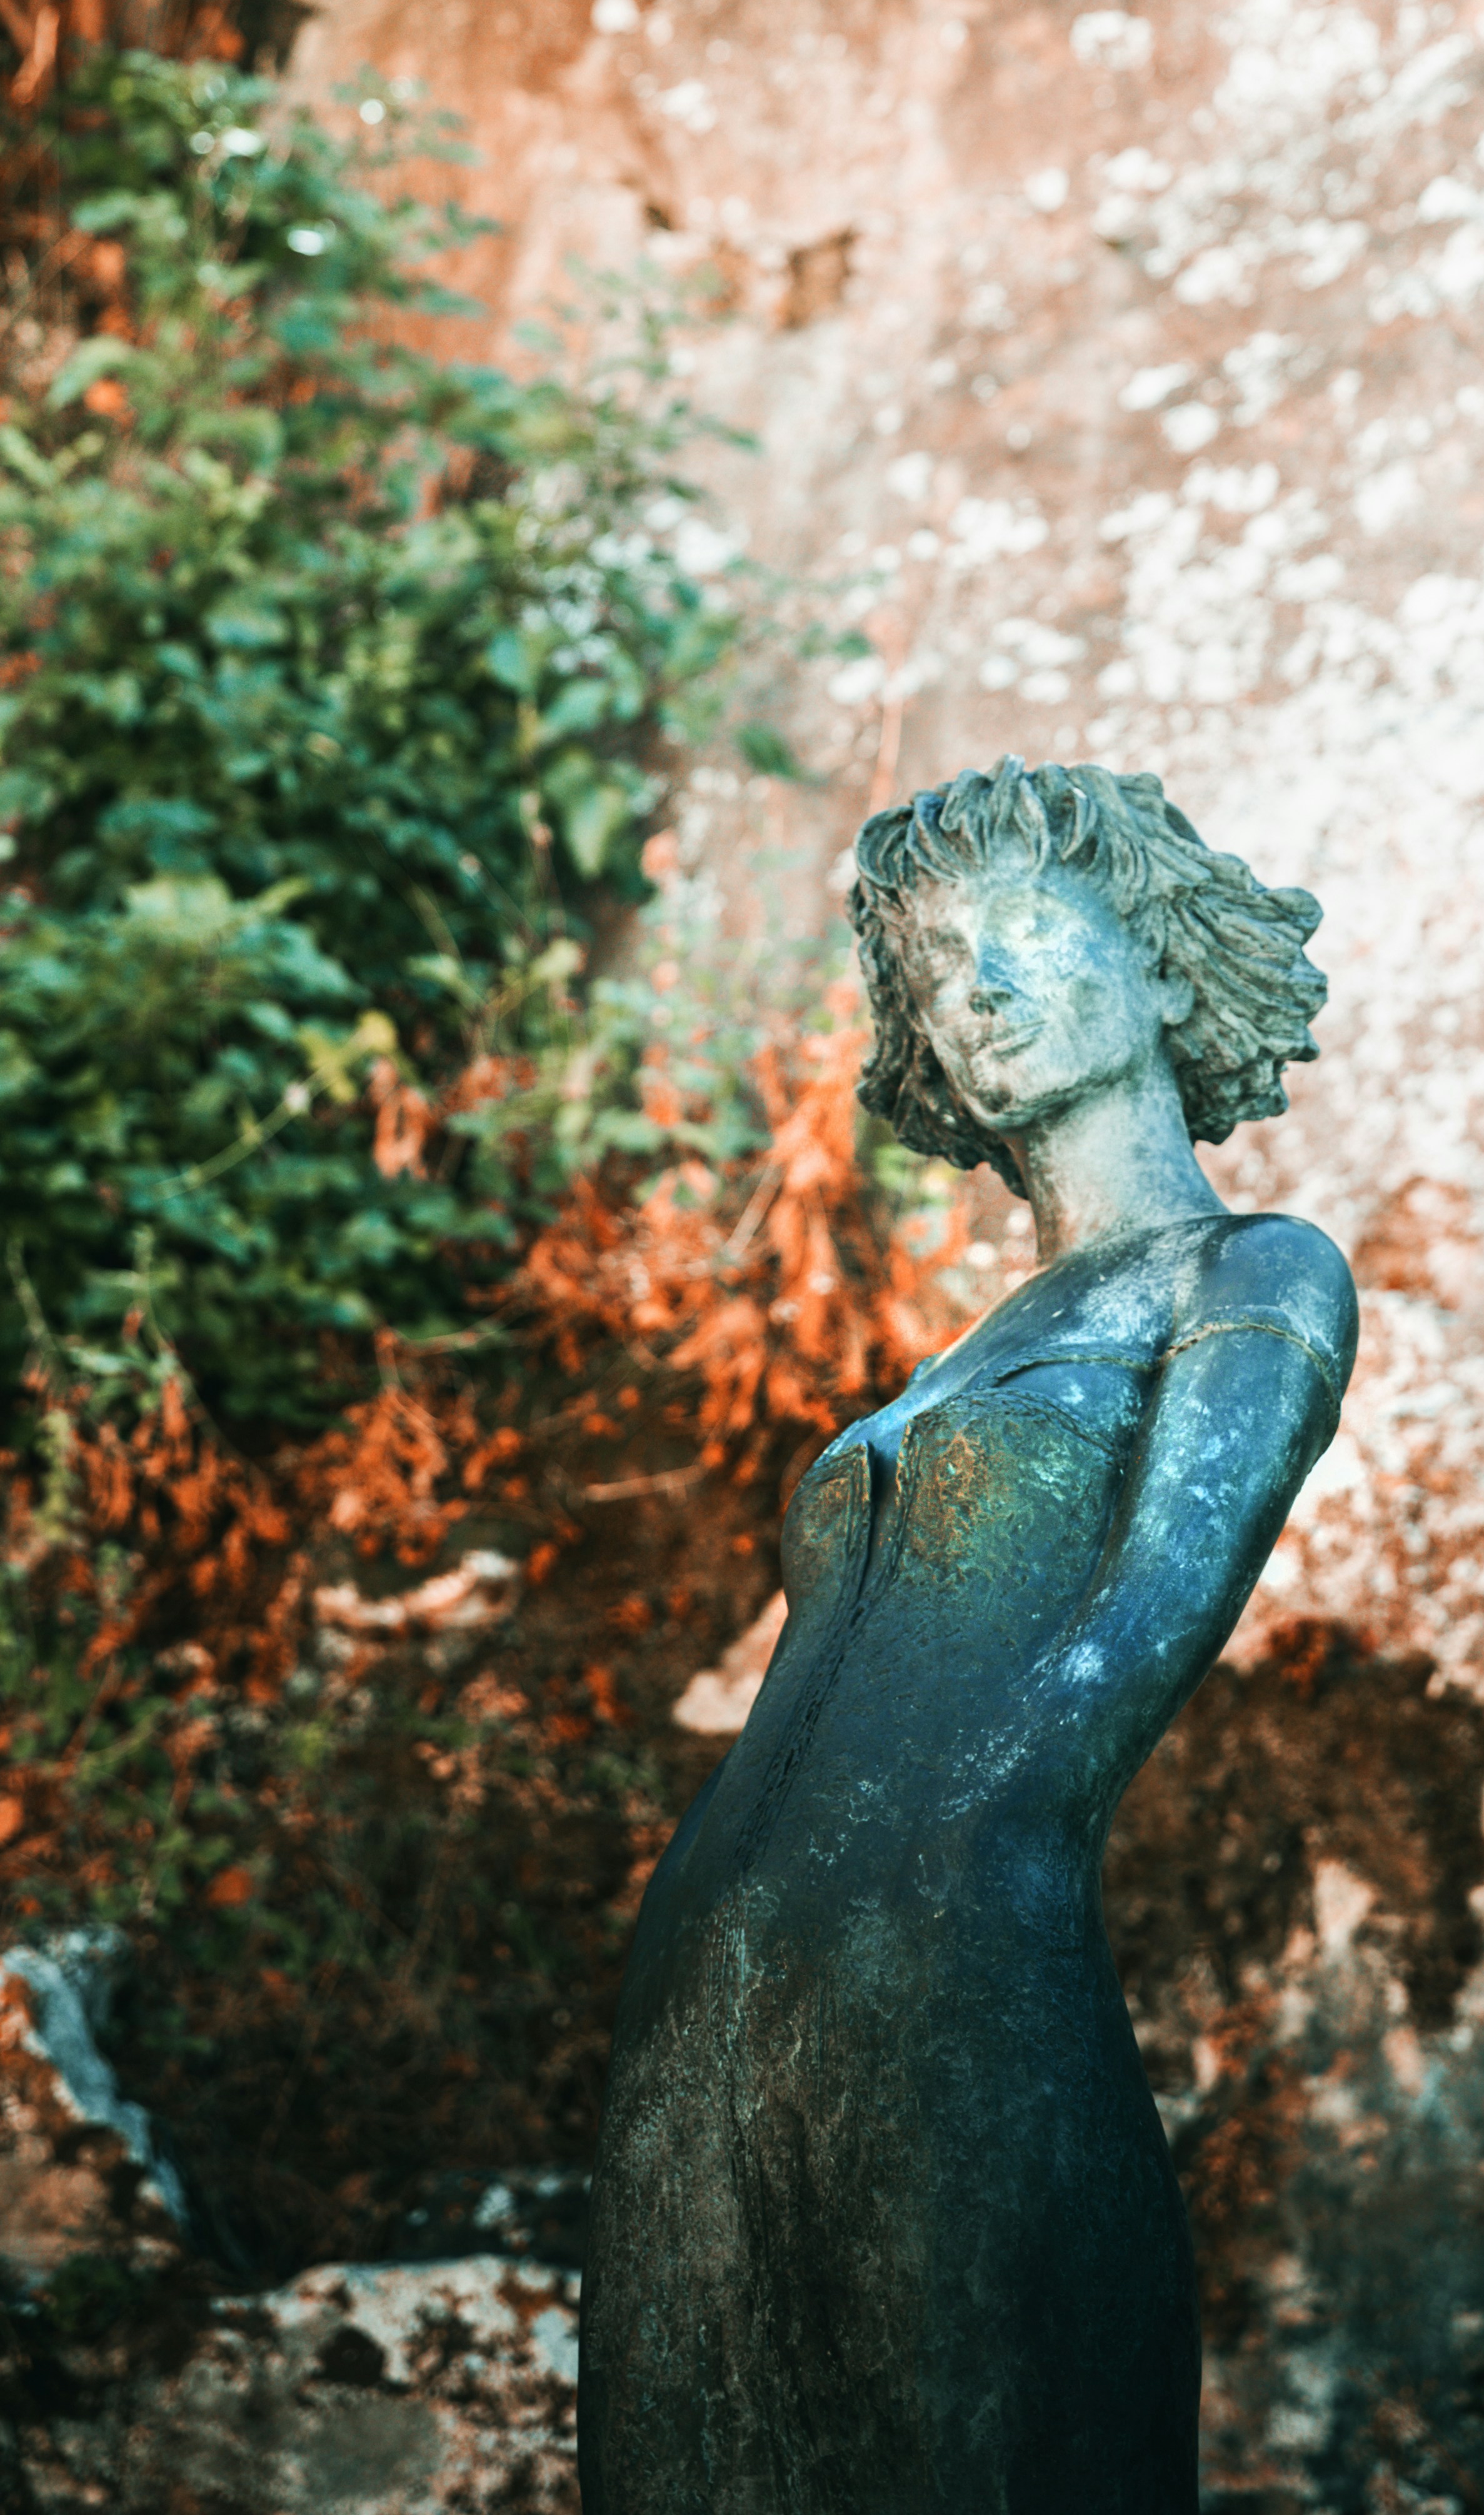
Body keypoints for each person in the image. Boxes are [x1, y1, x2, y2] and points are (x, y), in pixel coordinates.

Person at [579, 756, 1359, 2515]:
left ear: (1159, 961)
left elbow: (1139, 1637)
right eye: (935, 966)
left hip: (950, 1945)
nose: (976, 986)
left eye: (1021, 928)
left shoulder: (1248, 1275)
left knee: (982, 2451)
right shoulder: (951, 1362)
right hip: (707, 1977)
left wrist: (975, 1834)